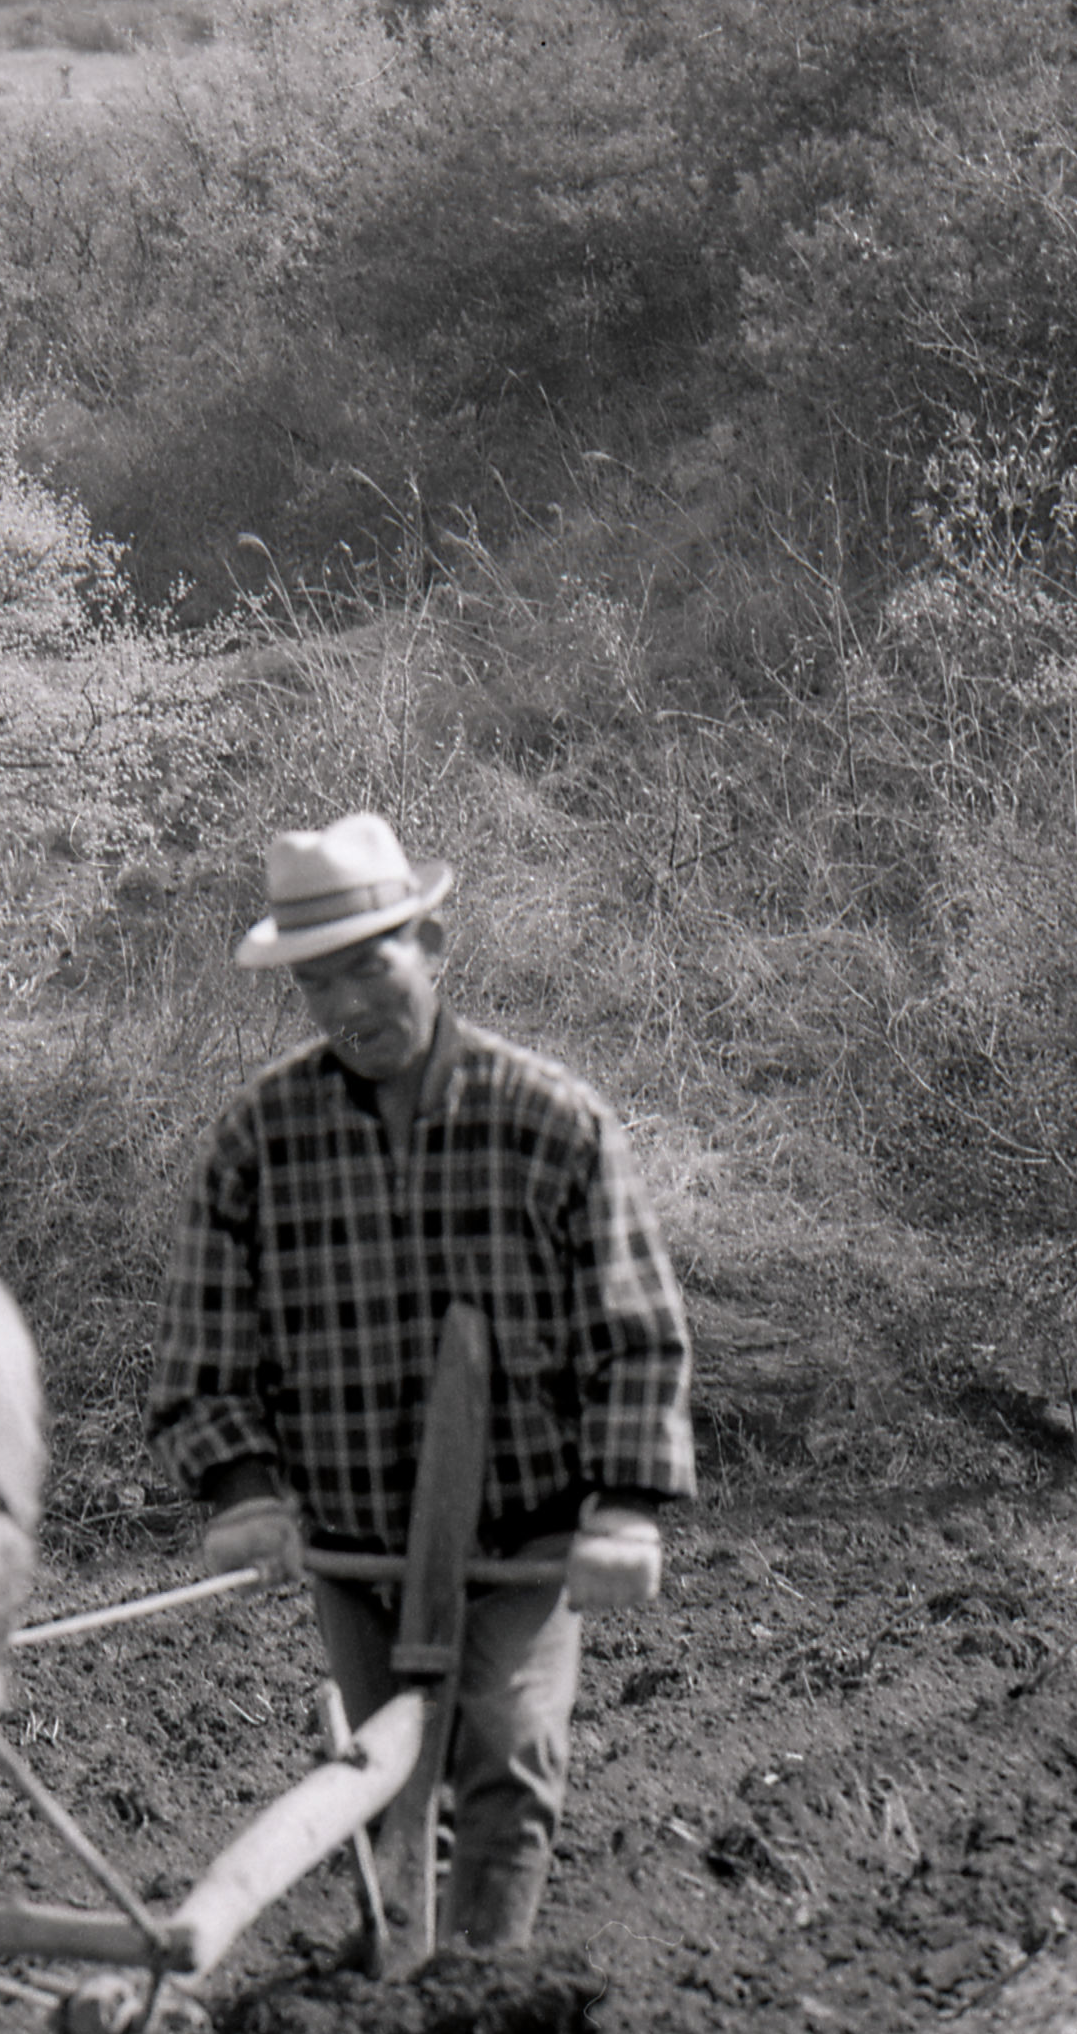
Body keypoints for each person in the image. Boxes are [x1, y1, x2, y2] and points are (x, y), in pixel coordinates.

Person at [155, 812, 695, 1962]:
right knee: (378, 1772)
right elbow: (204, 1343)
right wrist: (244, 1490)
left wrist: (625, 1508)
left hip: (524, 1535)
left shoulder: (550, 1120)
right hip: (357, 1543)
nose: (347, 1004)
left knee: (503, 1749)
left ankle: (479, 1985)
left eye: (370, 965)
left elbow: (635, 1329)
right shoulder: (258, 1139)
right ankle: (396, 1967)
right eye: (316, 983)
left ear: (432, 944)